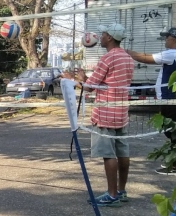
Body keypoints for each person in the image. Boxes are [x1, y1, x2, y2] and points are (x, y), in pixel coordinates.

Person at [71, 23, 134, 206]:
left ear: (110, 38)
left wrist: (74, 81)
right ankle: (121, 191)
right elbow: (103, 82)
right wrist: (85, 80)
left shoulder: (108, 58)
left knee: (109, 154)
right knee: (123, 152)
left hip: (105, 112)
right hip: (121, 112)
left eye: (104, 34)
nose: (101, 36)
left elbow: (90, 86)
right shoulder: (127, 58)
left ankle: (112, 195)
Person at [124, 27, 176, 173]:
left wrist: (127, 51)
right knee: (171, 131)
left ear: (174, 39)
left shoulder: (171, 54)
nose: (165, 40)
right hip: (170, 99)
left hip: (170, 100)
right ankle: (173, 163)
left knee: (171, 131)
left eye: (167, 37)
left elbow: (144, 58)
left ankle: (174, 164)